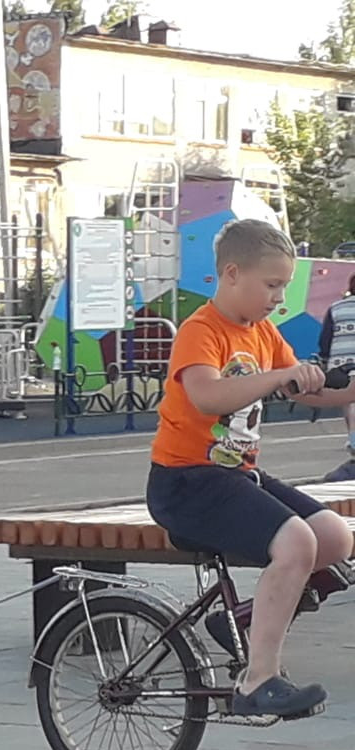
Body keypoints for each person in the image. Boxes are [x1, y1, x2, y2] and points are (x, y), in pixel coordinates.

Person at [146, 218, 355, 718]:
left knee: (333, 537)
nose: (279, 299)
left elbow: (306, 389)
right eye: (272, 285)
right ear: (233, 274)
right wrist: (279, 375)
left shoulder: (262, 332)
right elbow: (206, 396)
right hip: (186, 481)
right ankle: (257, 680)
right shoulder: (201, 330)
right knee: (296, 543)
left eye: (284, 287)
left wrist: (340, 386)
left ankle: (241, 618)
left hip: (234, 474)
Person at [317, 272, 355, 453]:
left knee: (348, 401)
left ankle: (352, 438)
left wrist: (324, 357)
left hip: (340, 364)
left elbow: (326, 338)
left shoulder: (336, 308)